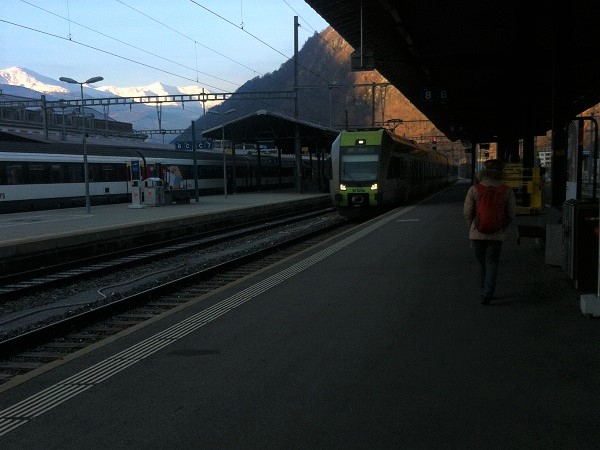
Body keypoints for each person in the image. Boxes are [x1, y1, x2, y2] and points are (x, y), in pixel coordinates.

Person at [463, 159, 517, 305]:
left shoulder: (474, 189)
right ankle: (488, 292)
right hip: (497, 234)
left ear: (483, 173)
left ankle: (483, 290)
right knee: (492, 262)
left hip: (477, 233)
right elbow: (512, 213)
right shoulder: (507, 190)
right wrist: (502, 225)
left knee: (482, 264)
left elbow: (467, 213)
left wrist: (473, 226)